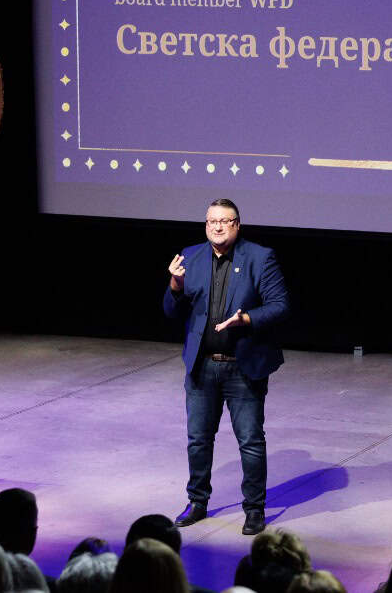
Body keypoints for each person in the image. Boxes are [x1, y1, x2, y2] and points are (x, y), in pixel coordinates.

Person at [163, 198, 289, 537]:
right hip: (202, 367)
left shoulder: (260, 258)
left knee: (250, 440)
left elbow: (280, 305)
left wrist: (246, 318)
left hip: (242, 368)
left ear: (237, 225)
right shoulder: (191, 257)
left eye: (225, 221)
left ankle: (254, 509)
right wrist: (175, 285)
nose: (217, 227)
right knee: (198, 440)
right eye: (211, 221)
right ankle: (197, 502)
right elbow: (172, 311)